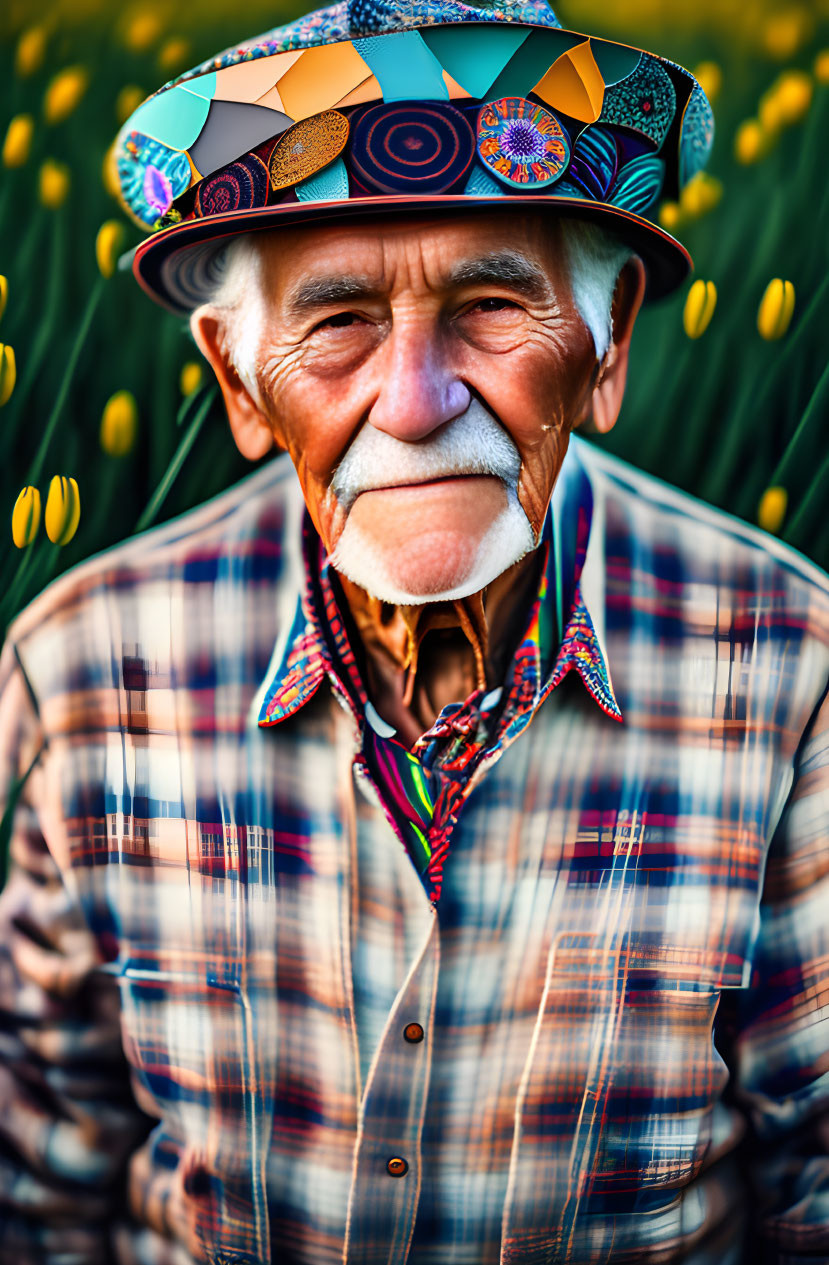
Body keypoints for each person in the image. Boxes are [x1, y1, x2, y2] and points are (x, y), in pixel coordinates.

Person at [0, 2, 827, 1263]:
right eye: (336, 322)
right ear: (234, 381)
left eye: (493, 302)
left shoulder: (792, 666)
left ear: (605, 356)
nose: (416, 399)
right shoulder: (82, 669)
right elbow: (36, 1189)